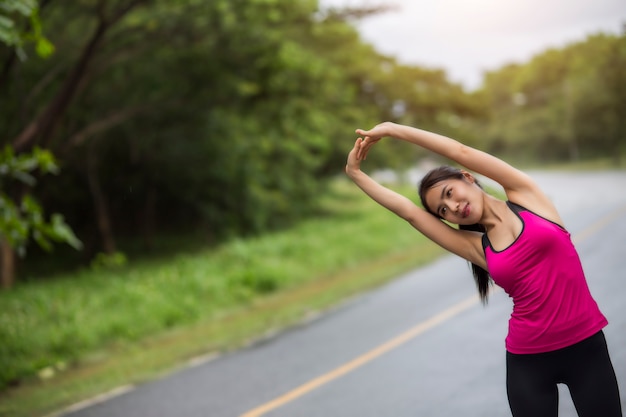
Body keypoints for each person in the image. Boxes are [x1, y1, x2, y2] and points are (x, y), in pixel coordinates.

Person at [345, 121, 622, 417]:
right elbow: (411, 214)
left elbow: (459, 150)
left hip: (587, 349)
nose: (452, 207)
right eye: (442, 210)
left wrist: (391, 128)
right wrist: (356, 175)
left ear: (467, 177)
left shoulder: (527, 196)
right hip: (528, 362)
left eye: (450, 193)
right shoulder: (478, 248)